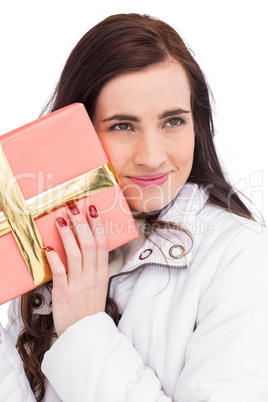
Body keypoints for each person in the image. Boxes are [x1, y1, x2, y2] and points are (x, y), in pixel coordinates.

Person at [1, 12, 268, 402]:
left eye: (173, 121)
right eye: (122, 126)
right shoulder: (46, 245)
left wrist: (83, 329)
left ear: (198, 125)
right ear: (78, 132)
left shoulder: (241, 257)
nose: (152, 156)